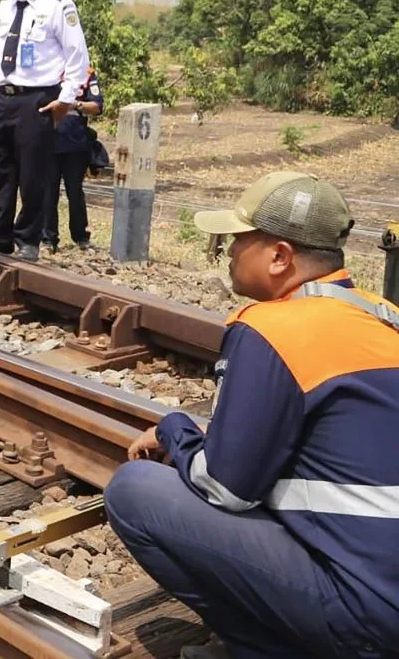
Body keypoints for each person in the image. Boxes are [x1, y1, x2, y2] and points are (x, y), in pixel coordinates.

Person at [104, 171, 399, 658]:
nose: (229, 252)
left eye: (240, 240)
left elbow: (226, 487)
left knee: (135, 490)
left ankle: (265, 650)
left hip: (369, 613)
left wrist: (174, 427)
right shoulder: (381, 315)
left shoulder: (272, 329)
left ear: (280, 256)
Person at [0, 0, 90, 262]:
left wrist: (65, 100)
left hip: (37, 99)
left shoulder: (58, 6)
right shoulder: (6, 7)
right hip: (4, 96)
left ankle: (28, 239)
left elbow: (76, 57)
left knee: (33, 174)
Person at [43, 67, 102, 252]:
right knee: (48, 192)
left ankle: (81, 237)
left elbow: (98, 106)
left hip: (75, 143)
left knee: (75, 192)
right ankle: (47, 239)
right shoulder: (45, 68)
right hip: (48, 142)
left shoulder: (85, 73)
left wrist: (75, 105)